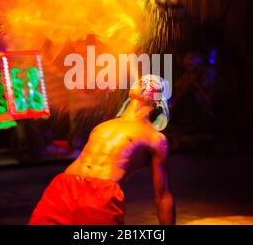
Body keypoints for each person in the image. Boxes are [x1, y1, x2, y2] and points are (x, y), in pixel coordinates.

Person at [29, 75, 175, 225]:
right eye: (143, 80)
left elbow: (163, 195)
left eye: (155, 83)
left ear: (159, 100)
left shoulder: (155, 138)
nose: (146, 81)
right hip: (64, 188)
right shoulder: (106, 124)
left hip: (100, 195)